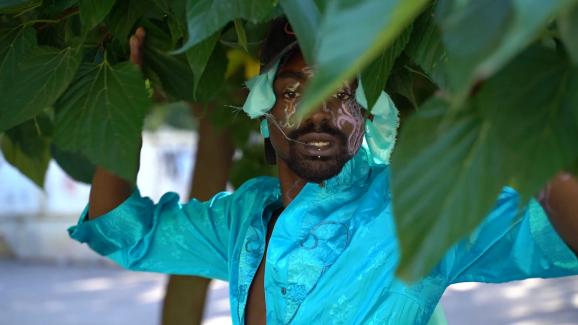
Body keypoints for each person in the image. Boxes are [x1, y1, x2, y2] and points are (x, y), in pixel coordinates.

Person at [69, 18, 578, 324]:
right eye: (293, 91)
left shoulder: (418, 205)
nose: (319, 112)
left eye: (342, 94)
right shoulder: (243, 219)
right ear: (264, 117)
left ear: (372, 117)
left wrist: (528, 124)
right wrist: (125, 99)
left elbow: (566, 239)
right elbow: (122, 230)